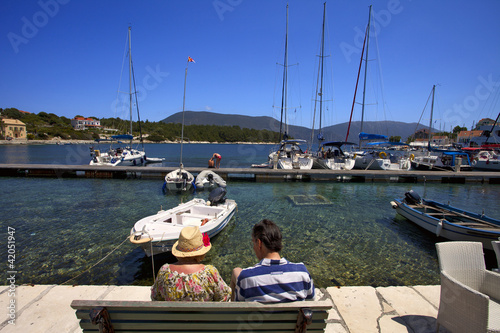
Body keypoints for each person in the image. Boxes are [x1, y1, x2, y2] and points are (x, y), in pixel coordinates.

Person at [230, 219, 315, 303]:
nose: (253, 247)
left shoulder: (246, 278)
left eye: (253, 243)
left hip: (257, 317)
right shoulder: (302, 273)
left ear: (259, 243)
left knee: (236, 271)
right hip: (294, 317)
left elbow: (239, 307)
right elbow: (310, 302)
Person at [151, 226, 231, 302]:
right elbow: (224, 297)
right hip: (204, 316)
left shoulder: (164, 271)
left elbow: (155, 297)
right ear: (201, 253)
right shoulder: (209, 273)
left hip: (171, 316)